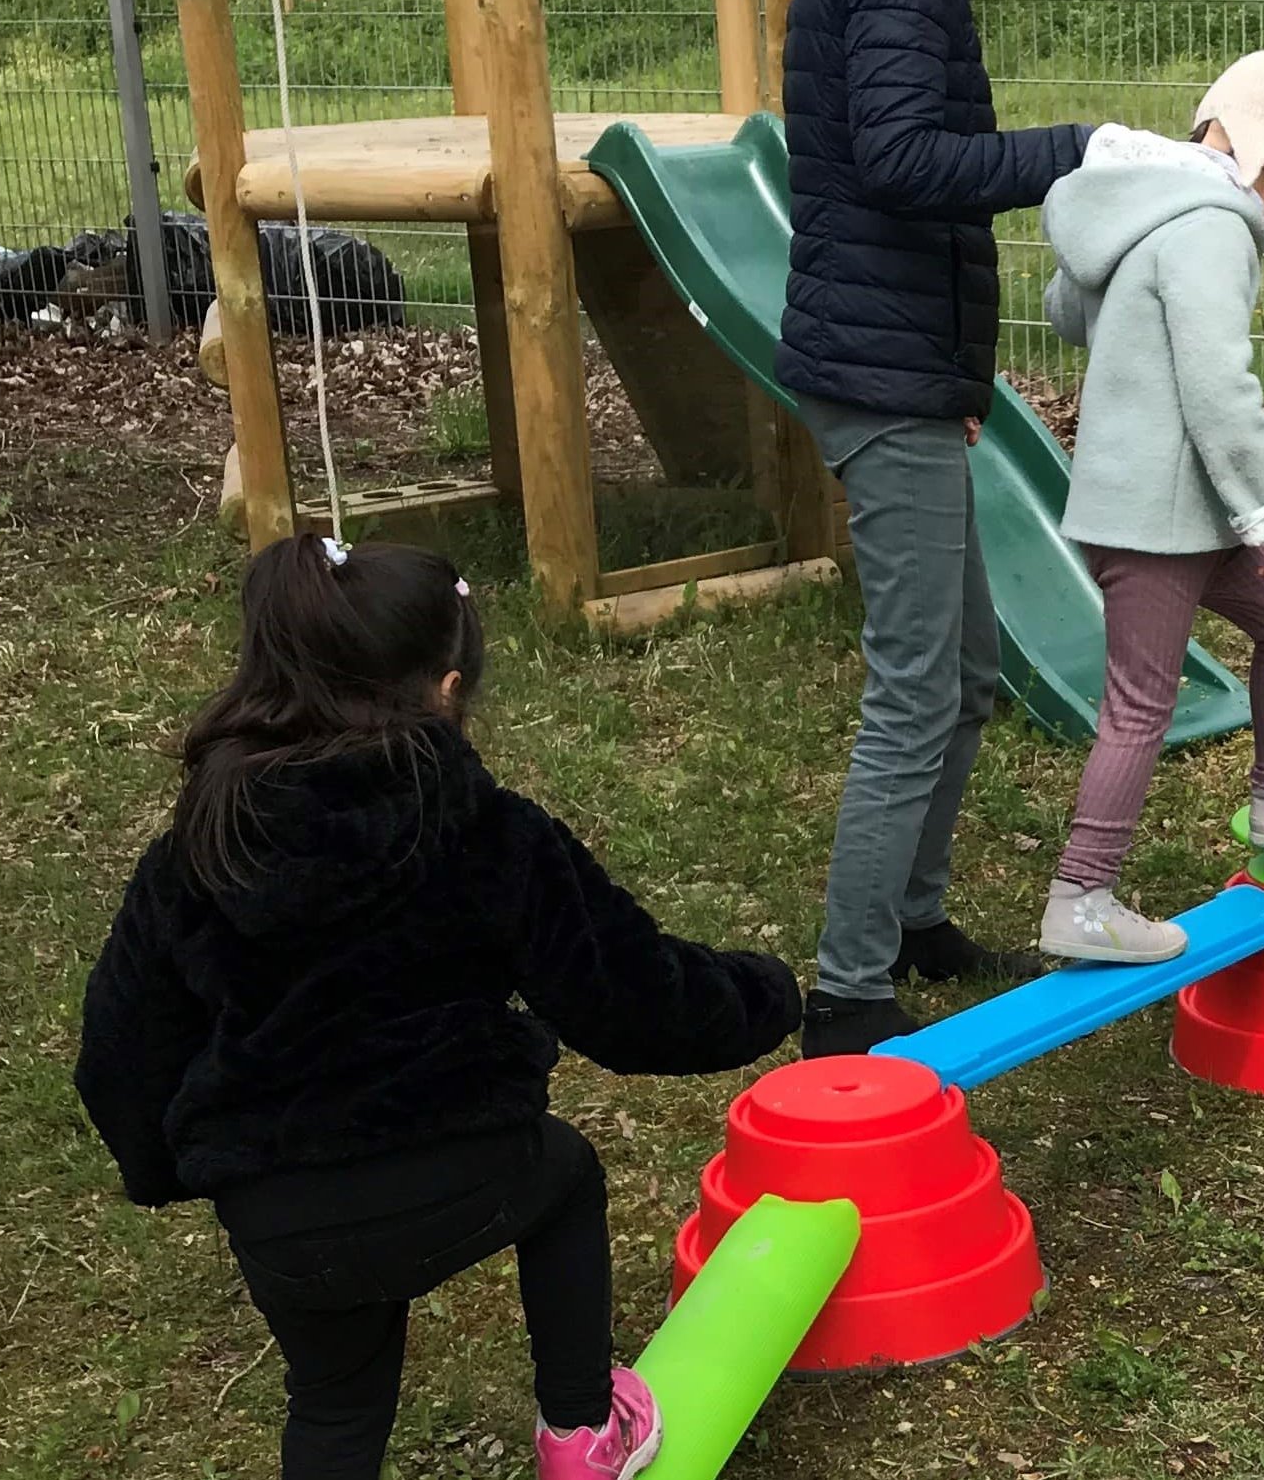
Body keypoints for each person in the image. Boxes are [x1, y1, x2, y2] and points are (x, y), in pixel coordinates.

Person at [75, 538, 800, 1480]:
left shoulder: (195, 853)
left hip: (279, 1217)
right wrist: (768, 994)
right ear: (446, 687)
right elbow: (635, 999)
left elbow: (119, 1053)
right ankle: (581, 1434)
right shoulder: (489, 833)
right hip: (459, 1169)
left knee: (335, 1407)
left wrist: (177, 1168)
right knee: (567, 1174)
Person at [758, 0, 1098, 1056]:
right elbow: (903, 163)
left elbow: (899, 184)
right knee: (913, 682)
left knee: (959, 668)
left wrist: (960, 370)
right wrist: (1076, 152)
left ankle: (911, 919)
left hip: (904, 359)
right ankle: (844, 994)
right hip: (872, 369)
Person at [1035, 52, 1264, 961]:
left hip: (1179, 512)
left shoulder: (1141, 212)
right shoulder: (1207, 227)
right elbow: (1216, 384)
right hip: (1152, 526)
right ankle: (1081, 895)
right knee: (1140, 705)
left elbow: (1066, 313)